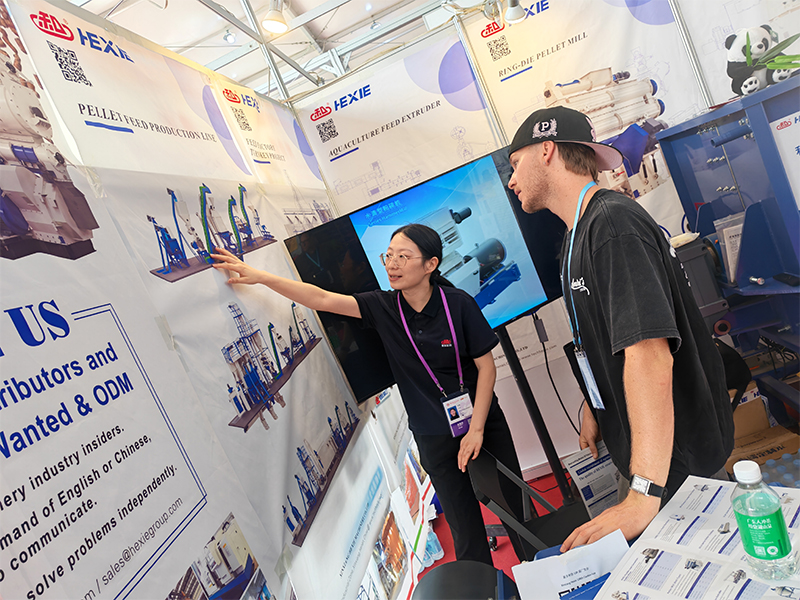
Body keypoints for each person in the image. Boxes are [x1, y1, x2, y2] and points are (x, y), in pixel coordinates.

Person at [211, 223, 531, 565]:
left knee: (518, 509)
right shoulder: (384, 306)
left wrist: (477, 429)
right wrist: (260, 276)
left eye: (403, 257)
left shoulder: (458, 304)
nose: (392, 264)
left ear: (430, 264)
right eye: (389, 255)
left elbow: (486, 367)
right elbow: (321, 299)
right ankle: (485, 586)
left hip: (480, 421)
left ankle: (545, 571)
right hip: (434, 435)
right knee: (465, 534)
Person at [506, 106, 734, 551]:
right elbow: (606, 337)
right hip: (655, 461)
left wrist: (643, 494)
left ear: (546, 149)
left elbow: (648, 353)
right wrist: (597, 405)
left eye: (516, 164)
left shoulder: (612, 226)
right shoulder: (579, 233)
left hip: (676, 466)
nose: (512, 181)